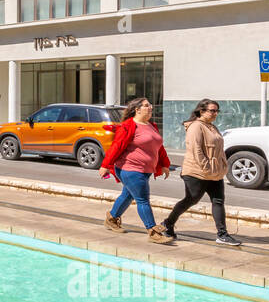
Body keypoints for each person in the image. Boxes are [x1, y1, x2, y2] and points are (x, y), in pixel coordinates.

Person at [164, 99, 242, 247]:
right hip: (196, 172)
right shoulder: (195, 126)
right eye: (212, 111)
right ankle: (168, 224)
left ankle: (222, 234)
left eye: (217, 111)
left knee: (218, 201)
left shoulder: (212, 127)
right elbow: (196, 150)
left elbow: (219, 149)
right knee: (191, 200)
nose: (215, 114)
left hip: (214, 172)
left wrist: (222, 166)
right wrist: (207, 168)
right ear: (201, 111)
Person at [99, 97, 173, 244]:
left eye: (150, 105)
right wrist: (105, 165)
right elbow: (117, 146)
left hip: (145, 170)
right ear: (137, 110)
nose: (150, 107)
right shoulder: (128, 126)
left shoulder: (151, 125)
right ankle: (153, 231)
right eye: (146, 105)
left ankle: (111, 219)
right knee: (143, 199)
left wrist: (165, 164)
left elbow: (159, 147)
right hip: (129, 168)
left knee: (127, 196)